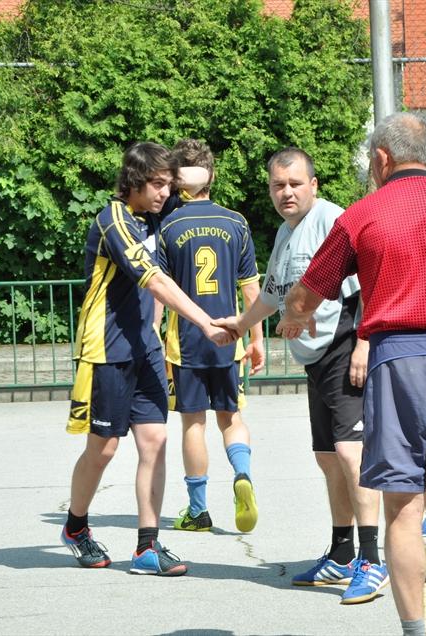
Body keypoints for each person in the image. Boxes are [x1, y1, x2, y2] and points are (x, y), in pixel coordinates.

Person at [220, 113, 426, 636]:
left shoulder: (361, 215)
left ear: (382, 158)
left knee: (403, 508)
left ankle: (413, 630)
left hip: (396, 361)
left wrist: (294, 315)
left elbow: (307, 292)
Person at [218, 147, 384, 605]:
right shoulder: (285, 232)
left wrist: (365, 343)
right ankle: (342, 553)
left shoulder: (334, 220)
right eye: (278, 185)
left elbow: (372, 283)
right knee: (328, 457)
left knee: (352, 454)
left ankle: (372, 560)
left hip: (345, 346)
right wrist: (241, 325)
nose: (286, 192)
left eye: (295, 183)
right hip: (315, 359)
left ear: (314, 185)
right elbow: (273, 295)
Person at [62, 142, 234, 576]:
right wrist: (205, 322)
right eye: (156, 184)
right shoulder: (113, 221)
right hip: (107, 350)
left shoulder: (155, 211)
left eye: (167, 184)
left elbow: (198, 179)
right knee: (103, 449)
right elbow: (155, 281)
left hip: (146, 348)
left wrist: (173, 173)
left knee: (155, 442)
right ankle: (76, 527)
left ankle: (147, 547)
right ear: (133, 182)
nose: (165, 192)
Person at [157, 139, 263, 534]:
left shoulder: (167, 226)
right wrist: (256, 339)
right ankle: (242, 474)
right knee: (231, 418)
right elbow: (250, 288)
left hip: (185, 342)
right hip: (229, 337)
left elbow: (159, 290)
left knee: (193, 424)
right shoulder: (236, 222)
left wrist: (152, 337)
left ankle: (198, 510)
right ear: (211, 176)